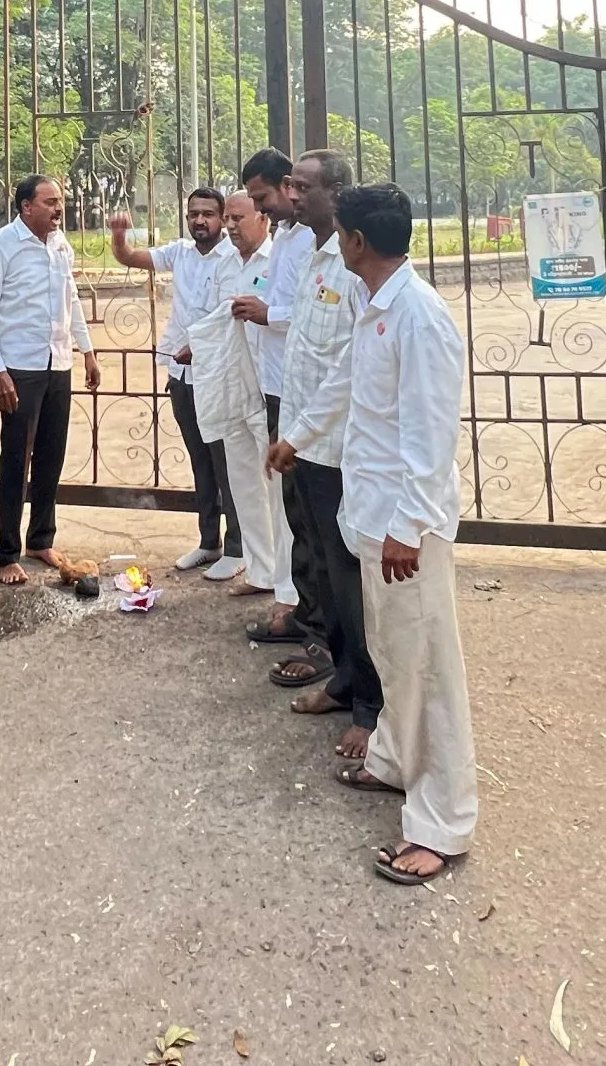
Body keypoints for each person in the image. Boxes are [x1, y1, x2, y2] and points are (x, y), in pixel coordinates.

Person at [329, 182, 477, 884]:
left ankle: (442, 822)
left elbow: (431, 434)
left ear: (358, 241)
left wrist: (410, 525)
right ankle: (391, 758)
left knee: (429, 670)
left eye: (340, 233)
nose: (337, 244)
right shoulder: (375, 307)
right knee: (393, 652)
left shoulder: (419, 316)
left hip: (404, 527)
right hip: (375, 514)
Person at [263, 149, 381, 759]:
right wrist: (291, 435)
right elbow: (307, 358)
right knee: (323, 573)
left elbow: (354, 370)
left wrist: (304, 433)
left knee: (348, 579)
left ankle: (370, 706)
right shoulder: (312, 256)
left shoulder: (355, 266)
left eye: (302, 186)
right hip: (304, 444)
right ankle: (342, 679)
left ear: (336, 193)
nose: (292, 194)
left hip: (337, 450)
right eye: (290, 184)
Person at [106, 189, 240, 575]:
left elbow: (227, 314)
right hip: (181, 375)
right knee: (200, 462)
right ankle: (208, 543)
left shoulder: (232, 258)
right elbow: (130, 257)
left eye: (208, 214)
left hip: (216, 374)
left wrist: (198, 348)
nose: (200, 220)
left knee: (226, 465)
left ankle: (238, 548)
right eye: (194, 213)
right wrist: (119, 236)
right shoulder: (180, 252)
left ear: (221, 218)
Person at [0, 174, 100, 585]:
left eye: (59, 200)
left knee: (51, 456)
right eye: (49, 201)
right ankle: (7, 553)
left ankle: (40, 539)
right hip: (18, 367)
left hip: (57, 362)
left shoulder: (60, 245)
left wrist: (87, 350)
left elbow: (71, 299)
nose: (58, 208)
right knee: (16, 459)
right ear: (26, 207)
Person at [192, 191, 285, 602]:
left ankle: (288, 582)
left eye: (238, 218)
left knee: (277, 490)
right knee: (244, 484)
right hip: (234, 386)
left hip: (270, 387)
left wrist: (265, 313)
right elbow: (215, 319)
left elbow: (301, 315)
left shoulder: (278, 259)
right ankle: (262, 571)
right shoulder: (226, 263)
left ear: (263, 218)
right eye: (227, 218)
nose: (229, 226)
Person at [232, 147, 305, 611]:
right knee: (280, 496)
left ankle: (295, 599)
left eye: (262, 199)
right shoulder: (287, 236)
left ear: (288, 186)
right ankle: (284, 589)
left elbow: (318, 314)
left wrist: (268, 314)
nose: (260, 209)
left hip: (297, 385)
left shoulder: (312, 242)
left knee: (294, 502)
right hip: (272, 383)